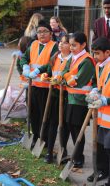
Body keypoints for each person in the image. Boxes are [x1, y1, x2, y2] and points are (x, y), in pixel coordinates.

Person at [20, 20, 58, 149]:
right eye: (39, 32)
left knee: (44, 115)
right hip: (32, 86)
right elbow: (24, 57)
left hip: (46, 88)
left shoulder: (54, 46)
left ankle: (44, 139)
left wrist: (38, 70)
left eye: (45, 32)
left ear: (50, 34)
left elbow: (52, 64)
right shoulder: (34, 44)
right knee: (32, 113)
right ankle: (35, 136)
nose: (41, 34)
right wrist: (25, 67)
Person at [60, 32, 95, 168]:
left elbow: (77, 81)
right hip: (71, 98)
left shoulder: (86, 60)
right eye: (71, 45)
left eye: (74, 45)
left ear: (84, 45)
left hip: (80, 100)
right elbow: (64, 73)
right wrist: (67, 77)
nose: (71, 48)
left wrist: (67, 78)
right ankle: (75, 155)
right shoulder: (74, 58)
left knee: (77, 129)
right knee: (70, 126)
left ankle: (79, 158)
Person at [40, 34, 72, 163]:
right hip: (54, 95)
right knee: (52, 123)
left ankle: (63, 152)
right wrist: (45, 75)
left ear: (70, 46)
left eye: (64, 43)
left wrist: (62, 80)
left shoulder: (72, 60)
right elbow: (49, 70)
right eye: (60, 42)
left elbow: (71, 76)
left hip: (65, 96)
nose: (60, 44)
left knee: (63, 126)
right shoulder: (55, 57)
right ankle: (49, 152)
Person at [86, 37, 110, 186]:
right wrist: (95, 90)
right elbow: (100, 85)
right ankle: (108, 183)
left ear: (107, 53)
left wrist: (106, 100)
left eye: (97, 53)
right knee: (105, 153)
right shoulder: (100, 66)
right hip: (103, 119)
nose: (95, 56)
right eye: (93, 53)